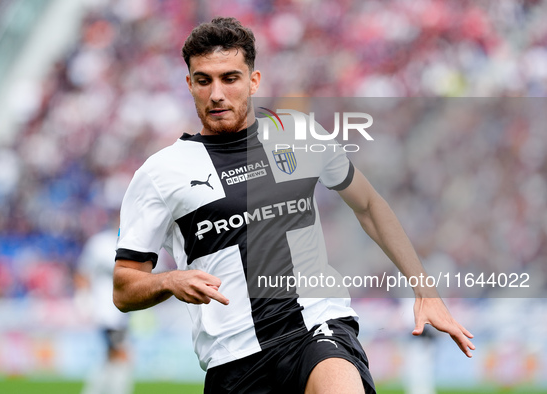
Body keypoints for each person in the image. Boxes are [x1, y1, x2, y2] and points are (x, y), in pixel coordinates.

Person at [112, 16, 475, 393]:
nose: (217, 93)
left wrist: (424, 289)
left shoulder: (299, 134)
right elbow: (124, 288)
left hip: (317, 326)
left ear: (253, 81)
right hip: (233, 359)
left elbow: (368, 205)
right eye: (204, 80)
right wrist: (170, 281)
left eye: (230, 78)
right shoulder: (160, 173)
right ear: (189, 85)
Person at [76, 225, 134, 394]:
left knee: (111, 356)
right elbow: (82, 273)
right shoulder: (99, 243)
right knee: (122, 354)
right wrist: (83, 300)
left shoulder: (133, 243)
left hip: (122, 312)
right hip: (106, 312)